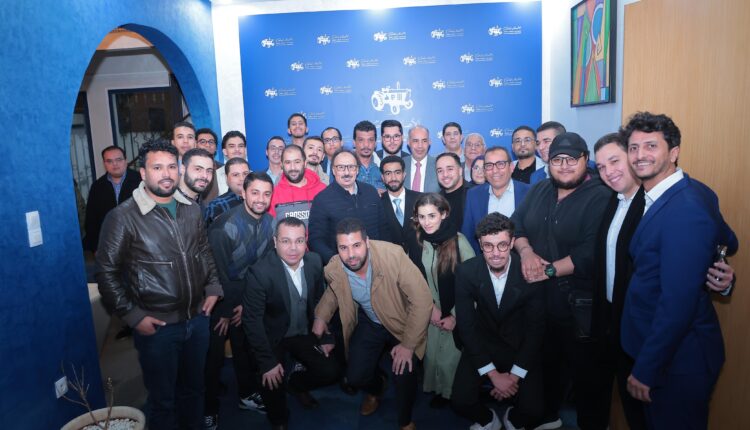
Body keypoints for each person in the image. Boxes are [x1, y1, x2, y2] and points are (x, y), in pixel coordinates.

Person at [618, 112, 738, 429]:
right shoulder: (689, 189)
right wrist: (719, 266)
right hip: (665, 351)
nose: (640, 155)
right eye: (633, 147)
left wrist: (647, 368)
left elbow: (677, 304)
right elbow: (729, 239)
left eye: (651, 146)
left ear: (673, 153)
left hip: (677, 361)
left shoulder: (685, 208)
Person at [96, 139, 222, 430]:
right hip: (158, 328)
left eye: (171, 166)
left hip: (197, 320)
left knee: (194, 391)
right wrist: (132, 315)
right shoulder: (122, 217)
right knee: (163, 402)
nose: (166, 174)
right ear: (143, 173)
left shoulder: (191, 209)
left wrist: (213, 287)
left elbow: (204, 251)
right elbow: (106, 273)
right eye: (157, 168)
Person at [511, 132, 610, 429]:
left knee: (588, 378)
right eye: (557, 160)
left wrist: (549, 271)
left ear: (585, 160)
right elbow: (516, 225)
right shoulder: (540, 189)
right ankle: (549, 415)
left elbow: (591, 253)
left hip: (578, 305)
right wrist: (526, 252)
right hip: (540, 301)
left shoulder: (602, 196)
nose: (564, 166)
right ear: (548, 162)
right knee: (546, 365)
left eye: (571, 159)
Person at [312, 218, 432, 430]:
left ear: (367, 242)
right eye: (343, 248)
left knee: (404, 372)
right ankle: (378, 388)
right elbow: (333, 292)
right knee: (355, 377)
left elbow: (422, 300)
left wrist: (408, 345)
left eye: (356, 245)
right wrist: (321, 316)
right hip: (371, 321)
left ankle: (405, 421)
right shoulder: (336, 266)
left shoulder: (393, 255)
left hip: (402, 321)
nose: (351, 254)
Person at [242, 217, 340, 430]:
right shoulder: (260, 272)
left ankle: (296, 385)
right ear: (275, 242)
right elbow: (252, 321)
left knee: (331, 370)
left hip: (303, 331)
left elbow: (320, 300)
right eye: (286, 241)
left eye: (299, 241)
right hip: (272, 335)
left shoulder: (314, 262)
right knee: (270, 379)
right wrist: (267, 361)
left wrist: (326, 335)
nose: (293, 248)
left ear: (306, 241)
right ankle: (279, 419)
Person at [452, 213, 545, 430]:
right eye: (488, 246)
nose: (495, 253)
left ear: (512, 243)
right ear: (480, 245)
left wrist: (514, 377)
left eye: (502, 245)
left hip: (519, 344)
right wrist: (493, 375)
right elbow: (466, 326)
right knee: (460, 401)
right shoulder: (466, 272)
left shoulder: (530, 271)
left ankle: (513, 418)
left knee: (535, 411)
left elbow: (536, 329)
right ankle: (488, 419)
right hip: (483, 343)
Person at [203, 172, 275, 428]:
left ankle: (246, 395)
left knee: (244, 348)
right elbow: (217, 273)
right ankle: (208, 408)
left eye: (266, 194)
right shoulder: (224, 227)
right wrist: (225, 311)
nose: (261, 199)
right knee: (213, 358)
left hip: (246, 298)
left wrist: (246, 303)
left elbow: (263, 268)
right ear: (243, 193)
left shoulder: (270, 223)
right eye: (255, 192)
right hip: (219, 301)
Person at [407, 193, 475, 408]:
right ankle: (438, 390)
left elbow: (473, 285)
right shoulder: (416, 241)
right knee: (432, 356)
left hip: (456, 310)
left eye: (432, 216)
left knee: (450, 359)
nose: (426, 222)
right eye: (421, 217)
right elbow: (411, 281)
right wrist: (429, 308)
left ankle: (450, 394)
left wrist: (454, 316)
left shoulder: (459, 242)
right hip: (428, 310)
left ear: (443, 214)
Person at [308, 149, 391, 263]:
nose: (346, 172)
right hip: (341, 265)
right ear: (333, 170)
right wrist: (334, 261)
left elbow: (384, 229)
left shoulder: (371, 192)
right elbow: (316, 240)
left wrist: (384, 257)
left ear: (357, 170)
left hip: (375, 262)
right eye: (341, 167)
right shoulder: (321, 199)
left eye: (351, 167)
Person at [462, 147, 530, 255]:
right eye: (489, 165)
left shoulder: (529, 193)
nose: (494, 170)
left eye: (500, 164)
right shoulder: (473, 195)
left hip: (521, 261)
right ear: (484, 171)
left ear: (511, 167)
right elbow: (468, 235)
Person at [84, 145, 140, 253]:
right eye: (109, 161)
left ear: (125, 161)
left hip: (138, 243)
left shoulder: (141, 181)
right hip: (109, 245)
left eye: (118, 160)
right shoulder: (97, 186)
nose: (114, 164)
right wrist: (95, 248)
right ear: (104, 164)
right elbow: (91, 220)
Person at [268, 145, 326, 226]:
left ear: (305, 163)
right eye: (288, 162)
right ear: (281, 165)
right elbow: (270, 229)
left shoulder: (322, 190)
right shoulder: (274, 194)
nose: (293, 167)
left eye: (297, 162)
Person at [380, 155, 421, 252]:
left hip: (418, 258)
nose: (393, 178)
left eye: (397, 172)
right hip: (390, 258)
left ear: (404, 175)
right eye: (388, 173)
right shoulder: (378, 203)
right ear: (382, 177)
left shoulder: (420, 199)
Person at [203, 157, 250, 227]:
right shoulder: (216, 205)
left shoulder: (259, 199)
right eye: (236, 175)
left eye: (245, 174)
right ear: (226, 177)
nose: (242, 178)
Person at [435, 152, 470, 232]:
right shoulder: (435, 201)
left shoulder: (475, 194)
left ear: (460, 171)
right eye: (440, 171)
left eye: (450, 169)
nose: (445, 174)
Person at [404, 125, 439, 193]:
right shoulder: (400, 165)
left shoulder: (438, 165)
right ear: (408, 142)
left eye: (424, 141)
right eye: (415, 141)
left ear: (429, 142)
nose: (420, 146)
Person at [353, 120, 385, 191]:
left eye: (370, 140)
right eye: (361, 140)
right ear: (354, 143)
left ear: (375, 143)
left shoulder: (384, 167)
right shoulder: (345, 167)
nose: (366, 145)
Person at [196, 127, 222, 204]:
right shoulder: (189, 168)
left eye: (211, 142)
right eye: (202, 142)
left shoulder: (223, 169)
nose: (207, 145)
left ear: (216, 148)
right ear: (195, 145)